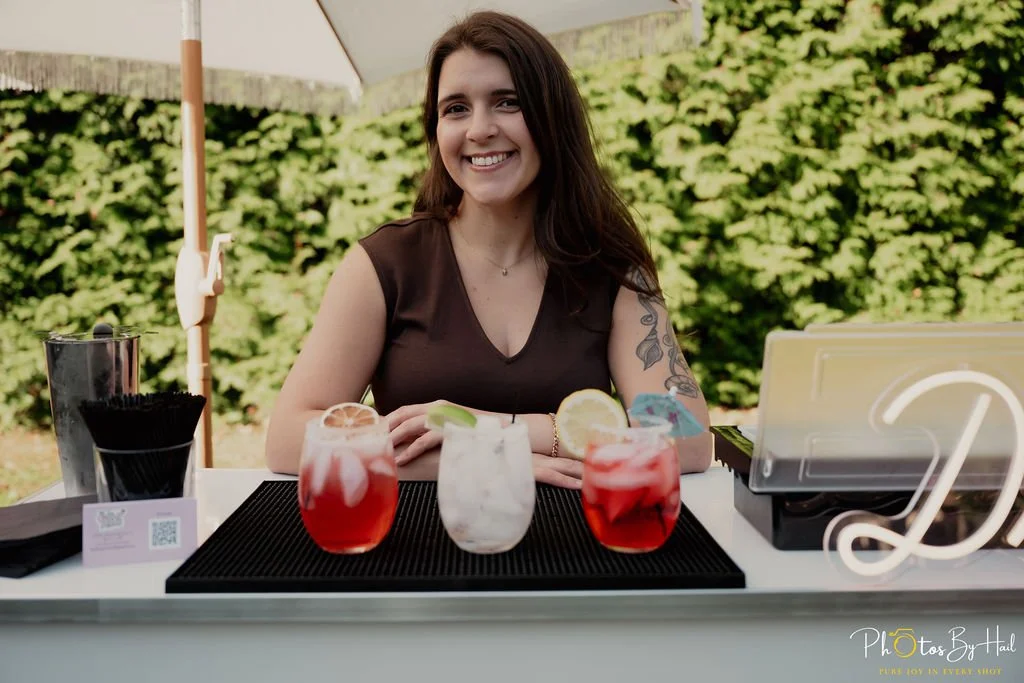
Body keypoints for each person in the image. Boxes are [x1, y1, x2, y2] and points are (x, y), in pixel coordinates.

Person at [265, 10, 713, 487]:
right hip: (414, 550)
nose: (479, 129)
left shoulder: (610, 266)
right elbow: (288, 440)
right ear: (436, 132)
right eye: (455, 108)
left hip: (571, 549)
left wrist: (493, 428)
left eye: (507, 102)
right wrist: (486, 458)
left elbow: (686, 440)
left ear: (552, 118)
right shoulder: (383, 265)